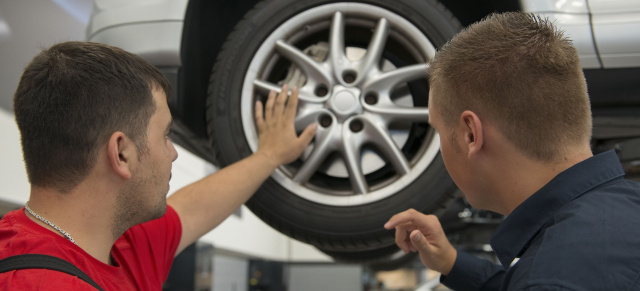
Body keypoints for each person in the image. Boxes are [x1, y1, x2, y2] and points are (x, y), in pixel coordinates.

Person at [0, 41, 316, 290]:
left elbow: (193, 209)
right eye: (165, 135)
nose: (173, 153)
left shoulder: (118, 247)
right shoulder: (38, 283)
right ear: (121, 153)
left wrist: (270, 155)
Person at [384, 12, 640, 290]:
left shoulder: (553, 277)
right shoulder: (622, 212)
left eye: (439, 131)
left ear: (471, 134)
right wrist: (452, 263)